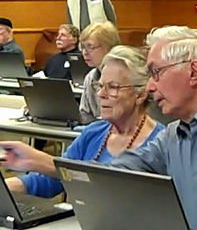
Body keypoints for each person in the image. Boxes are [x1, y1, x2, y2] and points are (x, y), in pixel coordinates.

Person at [2, 26, 197, 229]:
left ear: (193, 72)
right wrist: (38, 162)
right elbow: (110, 172)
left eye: (156, 73)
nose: (150, 87)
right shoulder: (173, 135)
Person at [1, 45, 165, 198]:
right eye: (100, 86)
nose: (101, 94)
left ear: (141, 94)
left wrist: (39, 161)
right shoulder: (95, 132)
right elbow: (53, 180)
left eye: (113, 87)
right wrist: (7, 186)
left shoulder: (161, 143)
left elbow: (117, 188)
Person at [79, 21, 120, 124]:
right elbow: (85, 115)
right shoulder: (90, 77)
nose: (85, 52)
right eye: (82, 47)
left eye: (90, 47)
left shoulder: (123, 76)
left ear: (108, 47)